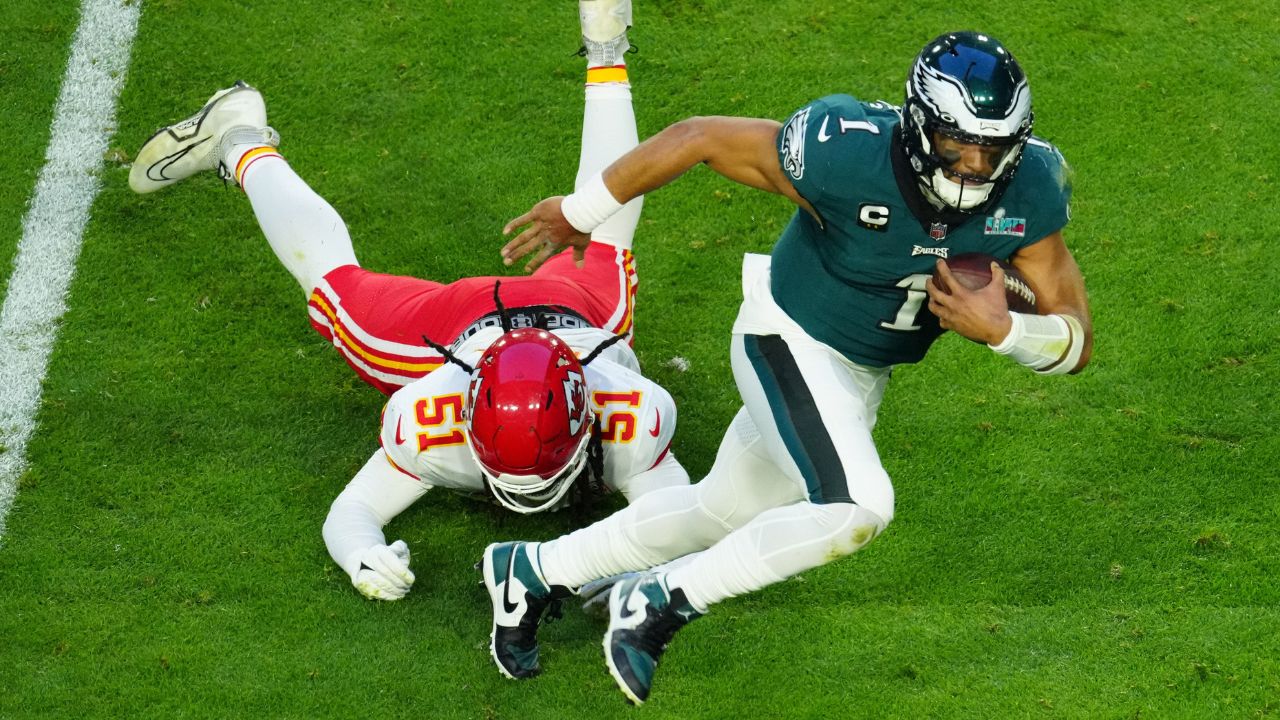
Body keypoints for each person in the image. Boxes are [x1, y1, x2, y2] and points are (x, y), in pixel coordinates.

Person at [484, 21, 1093, 705]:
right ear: (921, 125)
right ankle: (661, 599)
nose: (975, 168)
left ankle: (531, 569)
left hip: (859, 374)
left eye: (993, 150)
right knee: (857, 508)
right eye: (959, 145)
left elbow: (1075, 335)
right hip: (786, 335)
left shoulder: (1031, 186)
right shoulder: (847, 152)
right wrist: (579, 210)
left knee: (718, 514)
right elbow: (699, 137)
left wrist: (1007, 330)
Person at [126, 1, 688, 614]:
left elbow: (680, 524)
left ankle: (243, 143)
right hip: (471, 328)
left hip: (571, 320)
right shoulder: (449, 415)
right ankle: (237, 141)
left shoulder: (622, 416)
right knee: (599, 235)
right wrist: (359, 552)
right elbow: (675, 519)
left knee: (338, 279)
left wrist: (361, 551)